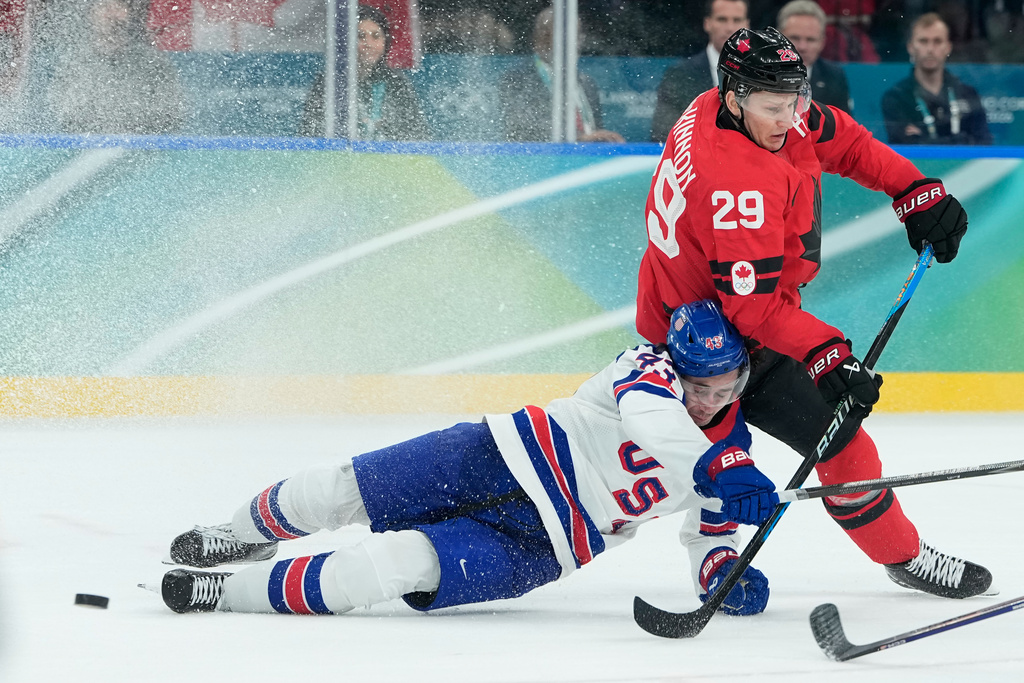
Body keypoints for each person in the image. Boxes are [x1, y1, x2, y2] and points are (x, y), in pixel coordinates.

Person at [637, 27, 992, 601]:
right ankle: (702, 548)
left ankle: (904, 557)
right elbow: (752, 313)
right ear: (735, 97)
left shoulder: (735, 105)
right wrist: (828, 353)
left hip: (730, 323)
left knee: (844, 445)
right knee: (706, 471)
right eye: (775, 108)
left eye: (793, 101)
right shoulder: (734, 186)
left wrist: (915, 191)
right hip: (695, 352)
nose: (789, 118)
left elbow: (843, 142)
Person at [156, 301, 779, 616]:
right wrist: (717, 467)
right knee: (340, 489)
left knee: (388, 566)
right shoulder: (645, 366)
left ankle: (226, 591)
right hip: (495, 455)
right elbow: (652, 416)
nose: (709, 401)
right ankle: (237, 535)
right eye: (700, 387)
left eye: (725, 390)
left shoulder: (734, 453)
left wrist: (723, 571)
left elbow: (709, 533)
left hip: (544, 546)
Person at [48, 0, 186, 135]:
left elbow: (171, 114)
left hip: (140, 147)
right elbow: (62, 114)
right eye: (105, 6)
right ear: (91, 14)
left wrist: (128, 132)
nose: (112, 14)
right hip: (85, 146)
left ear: (130, 14)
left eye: (119, 6)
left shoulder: (153, 62)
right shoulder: (74, 62)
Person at [298, 4, 429, 140]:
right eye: (360, 36)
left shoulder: (396, 82)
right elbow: (309, 133)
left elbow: (419, 136)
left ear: (386, 42)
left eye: (376, 36)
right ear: (346, 42)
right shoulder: (330, 82)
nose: (368, 43)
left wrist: (386, 128)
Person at [497, 7, 624, 143]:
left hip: (589, 160)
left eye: (579, 34)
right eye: (568, 34)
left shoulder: (586, 82)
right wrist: (577, 138)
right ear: (541, 37)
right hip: (546, 159)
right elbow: (522, 129)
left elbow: (596, 131)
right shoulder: (517, 78)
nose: (577, 41)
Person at [881, 13, 992, 146]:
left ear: (948, 47)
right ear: (910, 47)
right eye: (923, 41)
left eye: (937, 41)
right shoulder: (895, 98)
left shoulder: (967, 94)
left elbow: (983, 143)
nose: (930, 49)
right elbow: (904, 145)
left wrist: (924, 137)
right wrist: (961, 139)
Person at [650, 0, 748, 144]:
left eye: (737, 20)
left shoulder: (763, 74)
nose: (729, 27)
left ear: (747, 25)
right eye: (722, 19)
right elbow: (663, 132)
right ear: (707, 23)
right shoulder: (680, 74)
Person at [778, 0, 853, 115]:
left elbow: (843, 128)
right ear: (778, 37)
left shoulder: (834, 76)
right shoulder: (759, 74)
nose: (802, 47)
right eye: (795, 38)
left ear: (822, 42)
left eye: (810, 40)